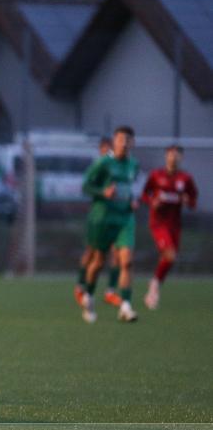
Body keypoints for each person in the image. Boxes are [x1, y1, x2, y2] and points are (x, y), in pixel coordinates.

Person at [79, 126, 140, 323]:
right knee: (98, 261)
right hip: (103, 219)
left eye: (128, 139)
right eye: (120, 139)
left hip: (124, 218)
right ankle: (88, 295)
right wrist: (103, 193)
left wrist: (131, 200)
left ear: (133, 143)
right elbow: (85, 186)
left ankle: (125, 306)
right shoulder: (103, 163)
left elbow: (128, 189)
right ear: (114, 141)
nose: (124, 143)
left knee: (127, 261)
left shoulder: (133, 165)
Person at [140, 145, 198, 310]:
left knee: (169, 258)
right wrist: (153, 202)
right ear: (166, 156)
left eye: (177, 155)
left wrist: (188, 201)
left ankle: (155, 284)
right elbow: (145, 194)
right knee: (170, 254)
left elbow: (193, 200)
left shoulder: (185, 178)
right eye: (171, 154)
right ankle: (154, 287)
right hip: (158, 223)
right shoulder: (156, 175)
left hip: (175, 224)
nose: (174, 158)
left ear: (181, 158)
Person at [74, 136, 123, 309]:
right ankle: (80, 286)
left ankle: (110, 291)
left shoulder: (119, 167)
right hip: (98, 217)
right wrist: (103, 192)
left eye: (111, 150)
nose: (109, 153)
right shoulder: (99, 167)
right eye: (106, 150)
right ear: (101, 150)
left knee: (117, 252)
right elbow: (85, 187)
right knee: (92, 253)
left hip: (117, 216)